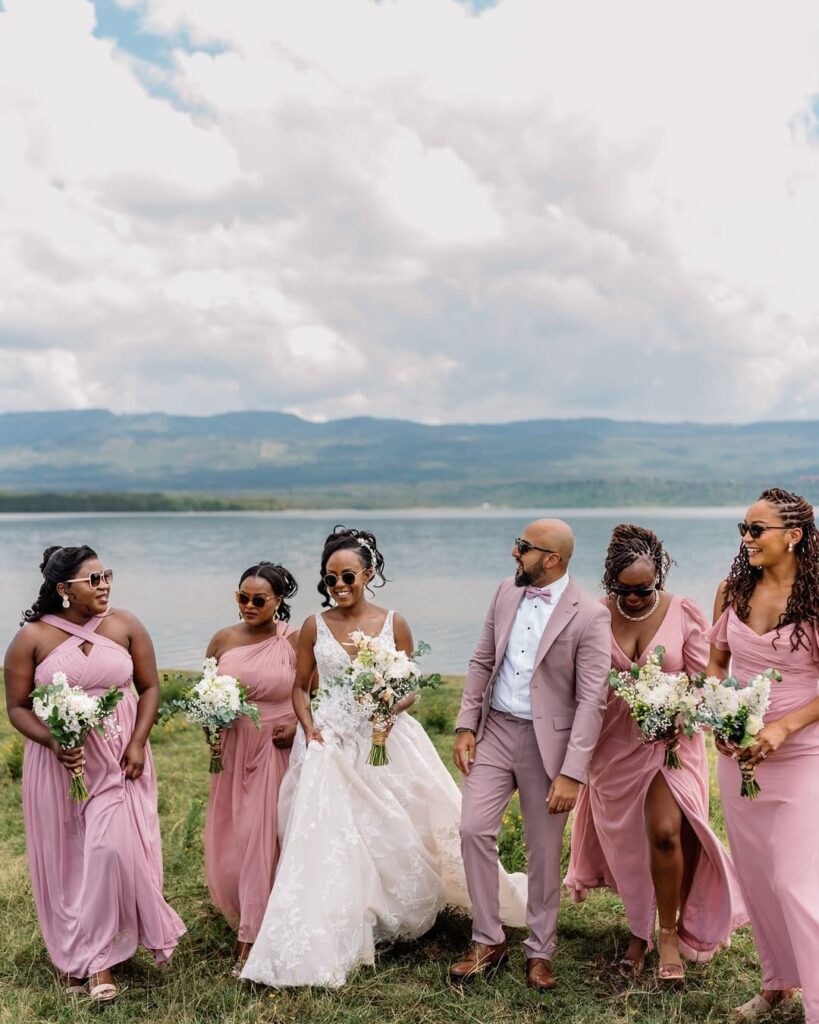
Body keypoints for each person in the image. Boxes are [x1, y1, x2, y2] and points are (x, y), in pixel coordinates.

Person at [241, 526, 526, 988]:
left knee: (405, 823)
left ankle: (407, 908)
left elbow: (409, 686)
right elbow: (300, 687)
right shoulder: (314, 625)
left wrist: (388, 712)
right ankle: (341, 921)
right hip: (330, 740)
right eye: (330, 577)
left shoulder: (395, 623)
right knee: (331, 836)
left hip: (386, 736)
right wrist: (310, 727)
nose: (339, 586)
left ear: (368, 573)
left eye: (348, 576)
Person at [3, 545, 185, 1004]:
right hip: (59, 762)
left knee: (110, 850)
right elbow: (17, 707)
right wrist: (53, 741)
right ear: (64, 589)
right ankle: (82, 960)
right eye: (94, 579)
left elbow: (149, 686)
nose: (105, 585)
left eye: (107, 575)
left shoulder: (126, 625)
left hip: (121, 756)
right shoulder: (32, 638)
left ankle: (103, 952)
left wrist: (140, 741)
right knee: (68, 857)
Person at [565, 524, 746, 981]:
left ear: (658, 579)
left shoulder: (682, 612)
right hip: (613, 748)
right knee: (627, 845)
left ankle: (667, 936)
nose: (633, 599)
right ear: (610, 585)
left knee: (666, 834)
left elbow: (704, 679)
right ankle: (637, 931)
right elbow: (578, 687)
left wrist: (682, 715)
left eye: (643, 590)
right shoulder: (590, 617)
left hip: (672, 746)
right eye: (622, 591)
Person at [451, 519, 610, 991]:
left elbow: (592, 699)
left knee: (543, 853)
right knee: (473, 828)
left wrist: (572, 773)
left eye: (523, 547)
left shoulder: (590, 615)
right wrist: (464, 724)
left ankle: (540, 951)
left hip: (551, 747)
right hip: (496, 729)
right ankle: (487, 938)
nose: (513, 553)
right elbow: (482, 658)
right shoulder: (505, 591)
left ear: (552, 559)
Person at [706, 489, 819, 1023]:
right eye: (742, 529)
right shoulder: (732, 590)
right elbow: (716, 664)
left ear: (793, 535)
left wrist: (784, 728)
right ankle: (777, 983)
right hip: (741, 759)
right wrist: (719, 717)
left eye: (757, 530)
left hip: (802, 756)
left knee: (796, 882)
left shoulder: (815, 597)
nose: (746, 539)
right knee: (756, 877)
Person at [204, 561, 299, 972]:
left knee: (264, 835)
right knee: (235, 834)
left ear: (278, 601)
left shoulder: (294, 640)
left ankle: (254, 933)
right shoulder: (222, 640)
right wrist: (210, 723)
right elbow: (207, 692)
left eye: (259, 599)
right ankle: (244, 904)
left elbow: (316, 692)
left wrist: (296, 726)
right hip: (233, 746)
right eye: (242, 597)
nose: (248, 605)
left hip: (276, 744)